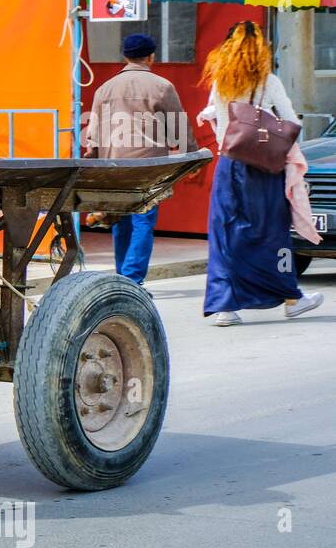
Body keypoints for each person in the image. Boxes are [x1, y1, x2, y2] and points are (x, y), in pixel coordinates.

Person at [196, 20, 323, 326]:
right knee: (270, 233)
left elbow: (216, 118)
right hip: (264, 169)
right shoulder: (269, 82)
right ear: (260, 51)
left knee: (226, 233)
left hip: (229, 165)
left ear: (229, 48)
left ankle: (225, 307)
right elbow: (293, 122)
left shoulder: (220, 82)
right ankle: (291, 299)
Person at [82, 33, 188, 286]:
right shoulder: (161, 86)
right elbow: (179, 129)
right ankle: (132, 279)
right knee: (143, 220)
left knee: (120, 218)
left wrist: (93, 158)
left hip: (114, 165)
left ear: (125, 56)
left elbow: (93, 132)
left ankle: (123, 277)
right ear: (151, 56)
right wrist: (188, 156)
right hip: (148, 168)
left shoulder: (104, 88)